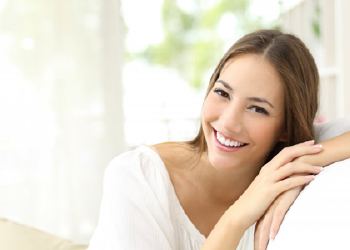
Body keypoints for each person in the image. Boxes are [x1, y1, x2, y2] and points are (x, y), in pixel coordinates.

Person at [88, 30, 350, 250]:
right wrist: (236, 218)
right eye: (223, 93)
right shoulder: (138, 177)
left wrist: (302, 159)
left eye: (257, 109)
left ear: (285, 127)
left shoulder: (292, 153)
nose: (227, 122)